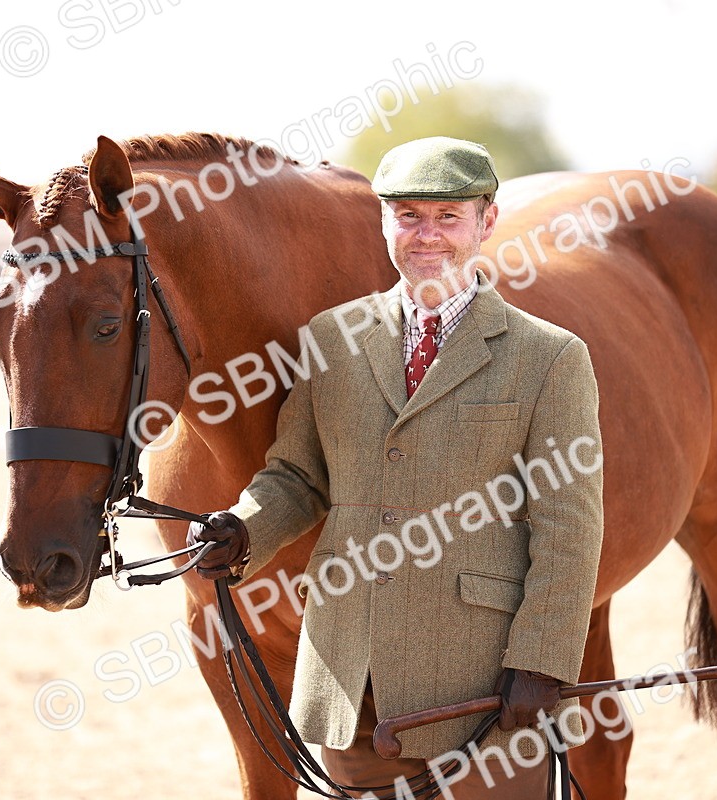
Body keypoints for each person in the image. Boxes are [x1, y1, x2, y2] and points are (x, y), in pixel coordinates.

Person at [188, 137, 604, 798]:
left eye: (448, 217)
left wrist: (541, 663)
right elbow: (297, 477)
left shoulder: (550, 356)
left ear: (487, 221)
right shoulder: (330, 340)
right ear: (384, 223)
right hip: (353, 681)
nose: (427, 235)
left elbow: (569, 525)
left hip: (485, 689)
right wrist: (242, 529)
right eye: (409, 215)